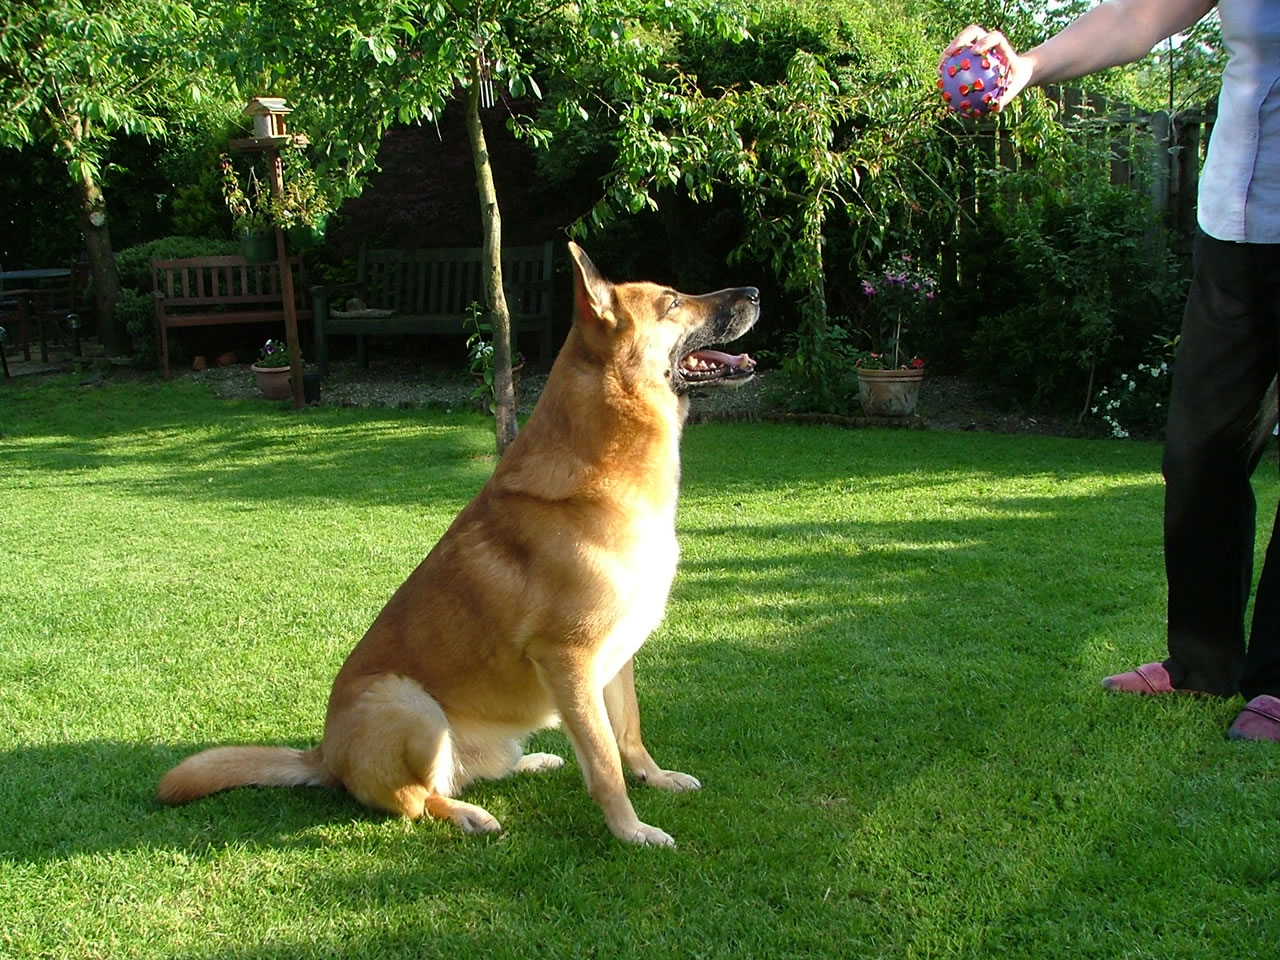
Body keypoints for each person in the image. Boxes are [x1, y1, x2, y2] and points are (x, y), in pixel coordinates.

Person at [944, 0, 1280, 741]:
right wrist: (1026, 65)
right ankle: (1203, 664)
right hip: (1236, 226)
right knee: (1199, 455)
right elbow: (1138, 14)